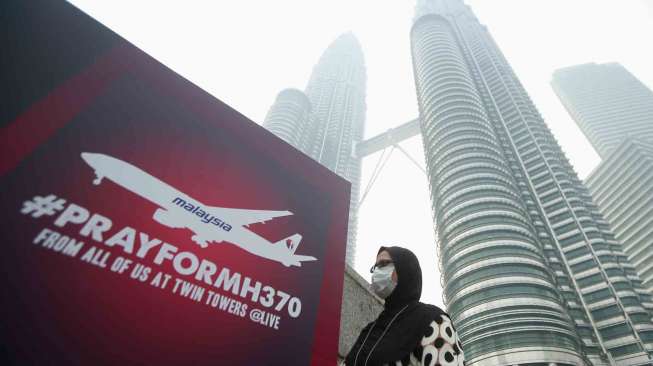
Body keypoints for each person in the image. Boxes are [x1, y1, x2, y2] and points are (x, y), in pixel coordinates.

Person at [344, 246, 465, 366]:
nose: (377, 272)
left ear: (405, 269)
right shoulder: (369, 332)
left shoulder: (432, 319)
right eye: (375, 267)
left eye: (384, 264)